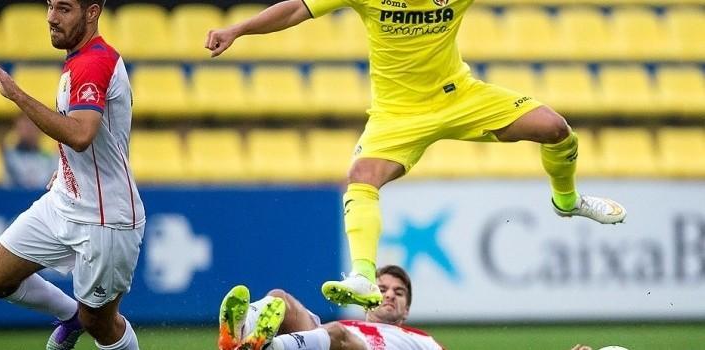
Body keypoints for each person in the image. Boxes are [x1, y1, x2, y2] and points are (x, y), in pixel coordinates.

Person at [205, 0, 627, 309]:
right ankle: (364, 277)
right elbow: (296, 9)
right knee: (361, 176)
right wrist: (238, 29)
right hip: (397, 114)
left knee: (555, 128)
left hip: (460, 96)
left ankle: (568, 201)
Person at [0, 0, 145, 349]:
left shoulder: (94, 62)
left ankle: (84, 319)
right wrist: (66, 170)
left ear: (91, 13)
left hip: (104, 218)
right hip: (65, 200)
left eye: (63, 9)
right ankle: (69, 314)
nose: (51, 17)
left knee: (101, 324)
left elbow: (80, 134)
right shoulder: (79, 58)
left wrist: (17, 95)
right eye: (49, 6)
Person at [218, 265, 443, 350]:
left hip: (343, 342)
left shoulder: (422, 341)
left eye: (399, 292)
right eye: (382, 289)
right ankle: (238, 333)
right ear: (367, 298)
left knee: (336, 334)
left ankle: (266, 347)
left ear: (407, 310)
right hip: (328, 341)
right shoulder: (349, 325)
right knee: (280, 299)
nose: (390, 294)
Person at [2, 113, 59, 189]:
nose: (29, 130)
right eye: (25, 126)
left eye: (32, 125)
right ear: (17, 128)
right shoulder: (9, 156)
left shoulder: (49, 158)